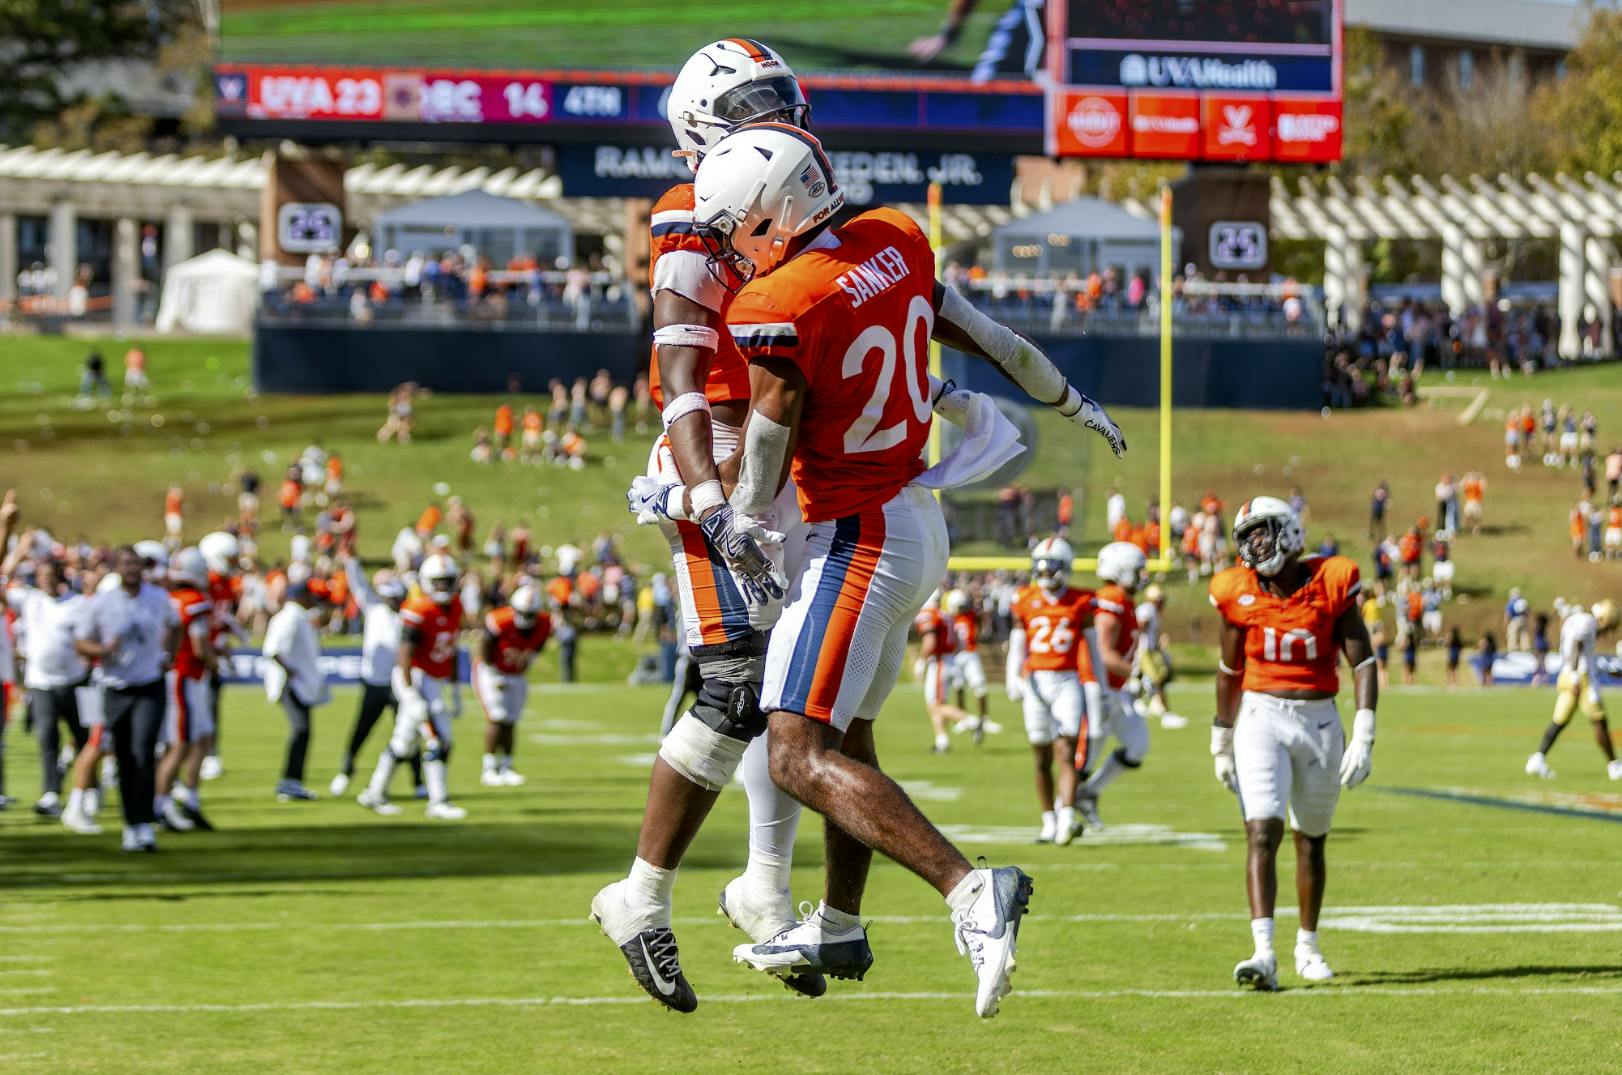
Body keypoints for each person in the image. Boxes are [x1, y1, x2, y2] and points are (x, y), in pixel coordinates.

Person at [687, 123, 1122, 1017]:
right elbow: (993, 338)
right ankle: (839, 921)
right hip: (915, 521)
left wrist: (742, 519)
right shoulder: (898, 234)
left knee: (794, 750)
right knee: (845, 736)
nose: (734, 245)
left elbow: (768, 435)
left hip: (858, 538)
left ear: (772, 211)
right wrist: (1070, 399)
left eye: (738, 225)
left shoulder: (784, 297)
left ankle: (971, 891)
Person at [590, 40, 826, 1014]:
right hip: (719, 464)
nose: (770, 115)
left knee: (787, 687)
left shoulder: (797, 198)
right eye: (748, 102)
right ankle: (642, 895)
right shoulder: (694, 209)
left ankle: (764, 888)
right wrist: (704, 490)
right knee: (737, 681)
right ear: (697, 122)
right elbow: (681, 370)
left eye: (777, 97)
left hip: (786, 466)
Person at [1209, 496, 1378, 990]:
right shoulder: (1235, 590)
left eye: (1260, 532)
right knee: (1263, 830)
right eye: (1245, 536)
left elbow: (1362, 661)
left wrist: (1365, 731)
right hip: (1261, 715)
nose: (1252, 544)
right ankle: (1263, 953)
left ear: (1288, 530)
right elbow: (1229, 670)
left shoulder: (1332, 579)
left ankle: (1307, 944)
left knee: (1311, 838)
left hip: (1321, 719)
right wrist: (1221, 735)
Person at [74, 545, 179, 852]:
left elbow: (176, 625)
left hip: (149, 683)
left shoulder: (157, 598)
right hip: (115, 686)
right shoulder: (103, 603)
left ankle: (145, 824)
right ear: (117, 568)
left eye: (136, 564)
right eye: (126, 564)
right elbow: (81, 642)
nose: (132, 569)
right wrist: (104, 651)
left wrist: (169, 655)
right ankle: (130, 824)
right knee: (124, 757)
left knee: (144, 751)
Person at [358, 552, 467, 820]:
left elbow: (450, 648)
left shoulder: (455, 607)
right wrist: (409, 693)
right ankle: (438, 801)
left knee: (404, 742)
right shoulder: (418, 609)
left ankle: (374, 792)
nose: (442, 586)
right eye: (438, 581)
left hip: (434, 680)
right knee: (438, 739)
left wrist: (454, 687)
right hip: (415, 678)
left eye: (446, 581)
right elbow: (404, 655)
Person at [1006, 537, 1098, 844]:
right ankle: (1048, 819)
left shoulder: (1081, 600)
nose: (1045, 573)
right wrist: (1012, 678)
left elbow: (1093, 647)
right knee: (1041, 756)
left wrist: (1098, 682)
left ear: (1066, 568)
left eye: (1051, 566)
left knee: (1066, 749)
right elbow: (1018, 643)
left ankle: (1067, 817)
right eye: (1041, 567)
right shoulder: (1024, 598)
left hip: (1067, 679)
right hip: (1035, 683)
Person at [7, 553, 91, 818]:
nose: (46, 581)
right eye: (41, 576)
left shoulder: (76, 604)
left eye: (50, 576)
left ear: (60, 577)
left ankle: (88, 789)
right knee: (47, 737)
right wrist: (11, 537)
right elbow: (2, 577)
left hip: (77, 681)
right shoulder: (30, 600)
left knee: (85, 739)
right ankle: (51, 792)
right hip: (41, 682)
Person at [330, 553, 419, 797]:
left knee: (408, 731)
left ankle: (419, 781)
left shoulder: (407, 615)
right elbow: (358, 583)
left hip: (398, 683)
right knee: (361, 731)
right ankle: (345, 772)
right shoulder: (374, 608)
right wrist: (350, 561)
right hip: (374, 683)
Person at [1075, 541, 1149, 827]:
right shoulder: (1111, 599)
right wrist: (1137, 674)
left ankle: (1089, 793)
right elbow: (1104, 654)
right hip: (1100, 686)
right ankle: (1062, 811)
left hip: (1118, 688)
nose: (1142, 576)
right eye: (1137, 570)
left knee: (1137, 745)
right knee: (1089, 751)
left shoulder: (1124, 599)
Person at [153, 547, 216, 831]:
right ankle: (161, 806)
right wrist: (217, 663)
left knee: (201, 738)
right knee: (179, 745)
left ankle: (189, 800)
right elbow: (200, 647)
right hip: (184, 676)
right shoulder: (194, 602)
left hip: (180, 675)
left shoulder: (166, 599)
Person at [1525, 601, 1622, 781]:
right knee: (1599, 720)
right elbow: (1577, 645)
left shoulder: (1581, 620)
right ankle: (1615, 766)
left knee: (1559, 721)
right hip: (1581, 678)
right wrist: (1577, 678)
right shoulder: (1587, 623)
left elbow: (1583, 645)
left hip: (1567, 674)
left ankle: (1537, 759)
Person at [473, 583, 550, 786]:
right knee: (497, 718)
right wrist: (492, 673)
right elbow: (484, 647)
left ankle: (507, 766)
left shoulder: (543, 622)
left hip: (516, 672)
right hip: (492, 671)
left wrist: (529, 659)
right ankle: (489, 768)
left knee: (511, 719)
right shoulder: (500, 620)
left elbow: (540, 643)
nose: (526, 617)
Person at [262, 580, 327, 802]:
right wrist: (290, 672)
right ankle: (289, 782)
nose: (312, 600)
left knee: (303, 731)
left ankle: (293, 782)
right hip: (290, 684)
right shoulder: (291, 617)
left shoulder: (297, 616)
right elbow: (273, 650)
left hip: (296, 681)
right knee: (301, 729)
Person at [916, 591, 970, 754]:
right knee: (936, 704)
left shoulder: (930, 614)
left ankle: (970, 721)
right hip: (950, 659)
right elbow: (960, 643)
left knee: (935, 705)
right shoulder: (947, 616)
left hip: (939, 662)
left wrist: (921, 660)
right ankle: (942, 741)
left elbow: (930, 641)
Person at [945, 588, 994, 739]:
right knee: (958, 687)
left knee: (979, 686)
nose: (962, 608)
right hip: (955, 656)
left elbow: (983, 614)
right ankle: (963, 718)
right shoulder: (948, 618)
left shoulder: (971, 615)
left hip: (970, 653)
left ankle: (984, 718)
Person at [1134, 583, 1183, 729]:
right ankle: (1165, 713)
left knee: (1146, 678)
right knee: (1157, 680)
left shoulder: (1153, 611)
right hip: (1143, 650)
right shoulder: (1147, 609)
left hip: (1149, 650)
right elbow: (1140, 627)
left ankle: (1140, 704)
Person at [1504, 588, 1530, 652]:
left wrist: (1505, 621)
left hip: (1515, 620)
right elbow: (1527, 611)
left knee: (1512, 634)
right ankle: (1525, 647)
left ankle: (1512, 648)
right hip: (1523, 619)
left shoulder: (1511, 602)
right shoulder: (1523, 601)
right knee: (1524, 634)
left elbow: (1508, 614)